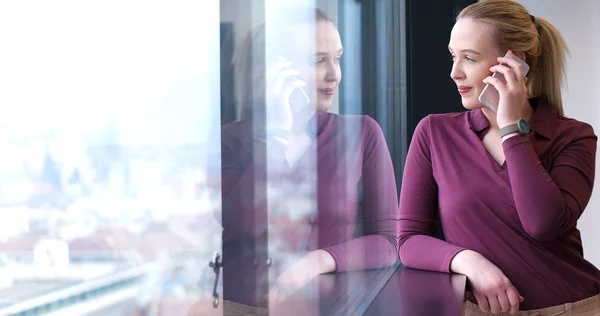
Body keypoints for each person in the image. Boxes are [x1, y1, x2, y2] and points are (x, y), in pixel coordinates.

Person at [189, 5, 399, 315]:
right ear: (273, 70)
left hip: (328, 307)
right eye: (318, 61)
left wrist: (316, 262)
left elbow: (389, 243)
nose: (335, 75)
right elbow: (244, 222)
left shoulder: (361, 133)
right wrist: (276, 135)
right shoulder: (228, 141)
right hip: (239, 308)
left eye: (337, 58)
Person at [398, 0, 600, 315]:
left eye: (470, 58)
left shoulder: (574, 137)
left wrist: (511, 130)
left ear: (512, 63)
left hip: (575, 307)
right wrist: (469, 261)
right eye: (454, 55)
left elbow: (542, 223)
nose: (454, 72)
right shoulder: (433, 133)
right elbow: (409, 241)